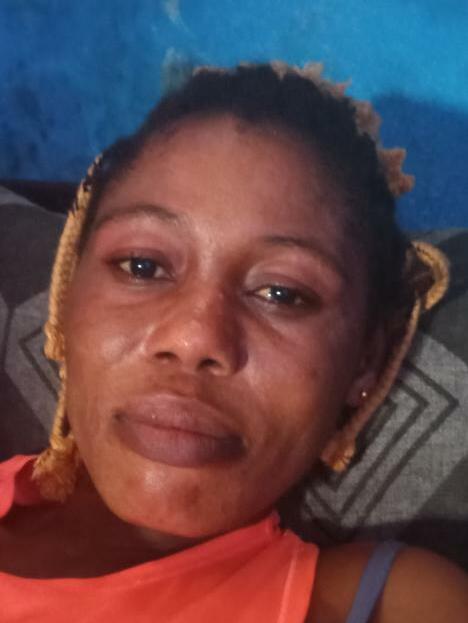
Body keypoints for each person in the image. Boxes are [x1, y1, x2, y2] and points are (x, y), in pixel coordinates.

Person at [0, 61, 466, 622]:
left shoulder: (385, 604)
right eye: (142, 265)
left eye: (281, 294)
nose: (194, 337)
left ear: (365, 361)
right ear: (66, 297)